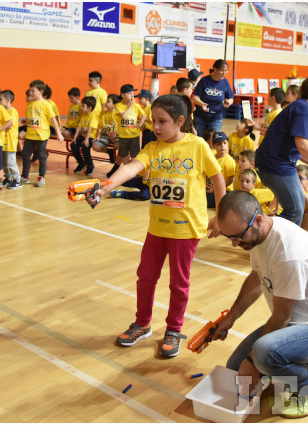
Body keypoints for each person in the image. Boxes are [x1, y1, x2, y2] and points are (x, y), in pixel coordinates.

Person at [91, 94, 226, 358]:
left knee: (178, 284)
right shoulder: (152, 148)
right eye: (154, 120)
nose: (156, 126)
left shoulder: (197, 145)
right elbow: (131, 169)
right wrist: (107, 186)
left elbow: (218, 177)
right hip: (157, 227)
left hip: (186, 230)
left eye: (162, 121)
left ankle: (174, 329)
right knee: (146, 278)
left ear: (180, 121)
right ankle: (142, 324)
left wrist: (221, 215)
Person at [213, 191, 308, 419]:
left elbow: (280, 318)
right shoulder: (261, 234)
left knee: (262, 355)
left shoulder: (289, 254)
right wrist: (231, 317)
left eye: (238, 236)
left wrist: (252, 362)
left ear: (258, 219)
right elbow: (256, 279)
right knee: (234, 368)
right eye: (229, 237)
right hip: (299, 326)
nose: (234, 243)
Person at [255, 74, 308, 226]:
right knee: (294, 211)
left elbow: (298, 151)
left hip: (281, 164)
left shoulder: (301, 107)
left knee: (297, 210)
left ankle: (276, 242)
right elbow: (302, 144)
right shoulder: (302, 109)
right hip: (274, 165)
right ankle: (264, 239)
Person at [20, 79, 63, 187]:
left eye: (33, 90)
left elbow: (53, 119)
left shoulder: (46, 104)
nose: (30, 93)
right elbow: (32, 117)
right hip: (30, 134)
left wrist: (58, 133)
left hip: (42, 135)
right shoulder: (30, 104)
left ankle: (41, 177)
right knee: (25, 155)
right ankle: (25, 176)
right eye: (30, 90)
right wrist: (27, 121)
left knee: (42, 155)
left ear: (41, 92)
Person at [192, 59, 234, 136]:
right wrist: (202, 104)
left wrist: (229, 102)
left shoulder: (225, 82)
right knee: (199, 139)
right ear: (215, 69)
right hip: (200, 117)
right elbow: (195, 97)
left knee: (213, 140)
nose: (224, 73)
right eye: (222, 70)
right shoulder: (204, 80)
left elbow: (231, 98)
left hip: (216, 119)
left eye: (226, 71)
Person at [114, 84, 145, 167]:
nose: (132, 95)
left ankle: (135, 173)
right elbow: (123, 116)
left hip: (134, 135)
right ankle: (127, 171)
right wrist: (131, 106)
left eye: (132, 93)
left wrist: (140, 124)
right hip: (123, 136)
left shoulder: (137, 106)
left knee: (134, 155)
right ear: (122, 95)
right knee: (124, 155)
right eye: (129, 93)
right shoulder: (119, 106)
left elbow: (144, 115)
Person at [94, 94, 121, 177]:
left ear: (114, 105)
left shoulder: (118, 114)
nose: (105, 103)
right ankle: (109, 152)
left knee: (120, 146)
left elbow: (122, 127)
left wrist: (115, 133)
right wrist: (98, 135)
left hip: (117, 135)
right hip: (105, 135)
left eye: (108, 102)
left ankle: (118, 166)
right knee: (95, 146)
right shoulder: (103, 113)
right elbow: (100, 126)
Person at [206, 131, 235, 208]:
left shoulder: (229, 160)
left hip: (225, 190)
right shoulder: (212, 157)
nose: (222, 146)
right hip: (212, 187)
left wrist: (215, 188)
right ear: (214, 146)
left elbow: (230, 179)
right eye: (219, 144)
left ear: (227, 144)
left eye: (224, 143)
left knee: (205, 202)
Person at [0, 89, 22, 189]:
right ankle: (8, 178)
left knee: (10, 162)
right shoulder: (3, 111)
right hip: (3, 140)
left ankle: (17, 180)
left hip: (10, 141)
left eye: (1, 99)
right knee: (4, 162)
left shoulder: (13, 111)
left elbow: (8, 124)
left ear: (7, 100)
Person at [71, 96, 98, 175]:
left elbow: (90, 128)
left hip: (90, 137)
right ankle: (81, 163)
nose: (81, 107)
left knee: (84, 146)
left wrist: (86, 139)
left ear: (89, 108)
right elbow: (79, 126)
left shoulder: (93, 115)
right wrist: (75, 138)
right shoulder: (83, 114)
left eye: (83, 106)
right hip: (83, 136)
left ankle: (90, 165)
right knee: (73, 145)